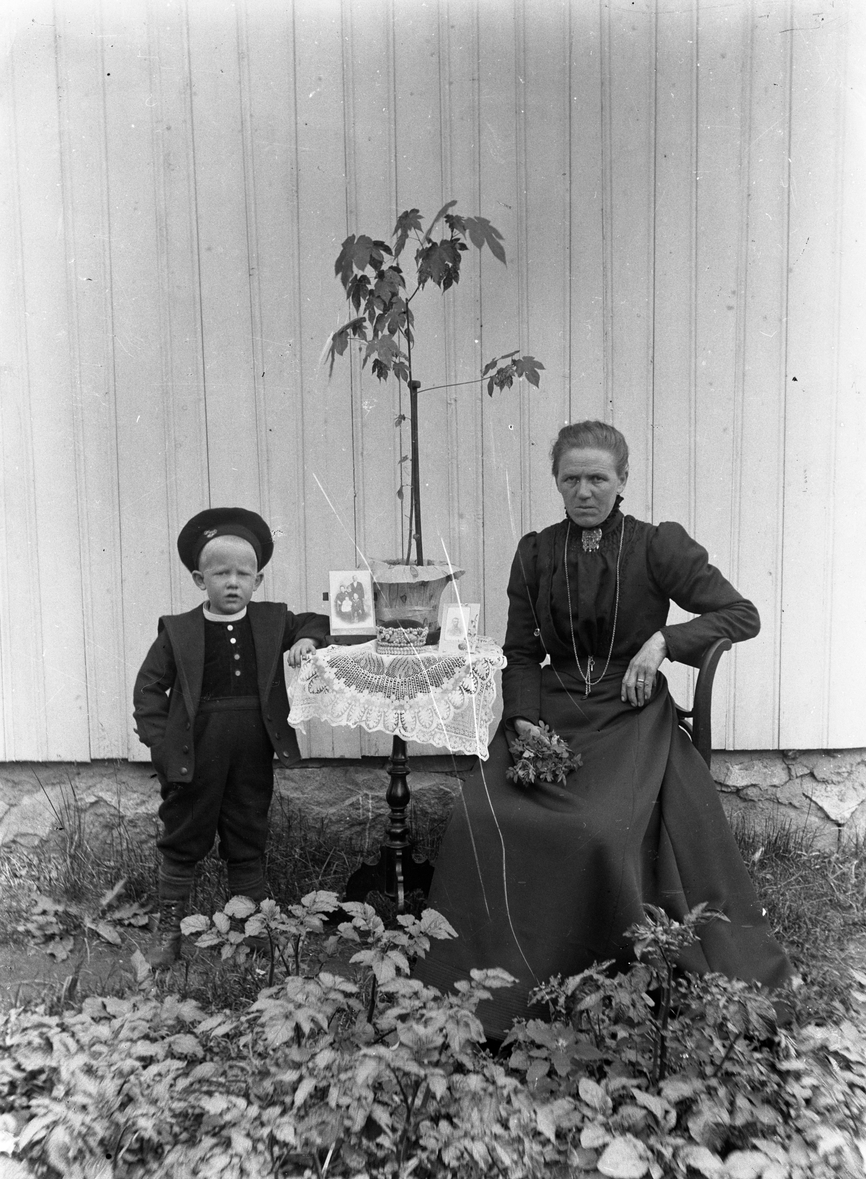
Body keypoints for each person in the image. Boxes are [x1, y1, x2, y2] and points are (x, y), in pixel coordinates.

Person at [417, 421, 793, 1037]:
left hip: (631, 709)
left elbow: (740, 614)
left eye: (598, 478)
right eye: (572, 479)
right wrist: (523, 720)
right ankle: (501, 981)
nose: (585, 491)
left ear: (623, 480)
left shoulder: (657, 545)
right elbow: (517, 651)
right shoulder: (535, 552)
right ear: (557, 483)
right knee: (480, 814)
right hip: (553, 712)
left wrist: (665, 641)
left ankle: (607, 976)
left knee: (604, 829)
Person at [133, 507, 329, 967]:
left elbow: (318, 622)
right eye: (222, 574)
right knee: (185, 832)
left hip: (251, 751)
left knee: (247, 831)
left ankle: (254, 932)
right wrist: (162, 747)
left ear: (258, 581)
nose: (233, 583)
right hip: (194, 752)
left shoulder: (270, 621)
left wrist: (306, 641)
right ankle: (168, 931)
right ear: (201, 580)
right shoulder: (178, 630)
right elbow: (148, 690)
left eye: (244, 574)